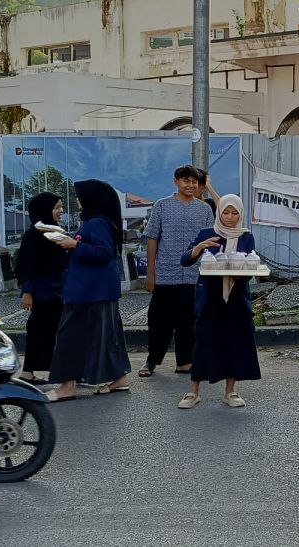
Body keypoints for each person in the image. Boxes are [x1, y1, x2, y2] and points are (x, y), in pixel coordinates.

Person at [46, 180, 131, 402]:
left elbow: (104, 253)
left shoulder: (97, 223)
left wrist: (74, 245)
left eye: (80, 196)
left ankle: (66, 387)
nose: (77, 199)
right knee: (105, 335)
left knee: (69, 338)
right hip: (95, 289)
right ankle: (119, 378)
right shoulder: (98, 221)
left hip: (89, 290)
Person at [177, 195, 261, 409]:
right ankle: (193, 391)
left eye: (234, 213)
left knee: (235, 341)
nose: (230, 217)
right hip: (210, 296)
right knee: (203, 341)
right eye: (226, 212)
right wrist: (198, 248)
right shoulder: (207, 233)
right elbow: (185, 260)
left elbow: (251, 265)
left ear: (240, 214)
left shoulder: (246, 235)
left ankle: (230, 391)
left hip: (236, 296)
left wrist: (238, 273)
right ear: (219, 212)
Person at [139, 165, 214, 378]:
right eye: (186, 181)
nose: (190, 185)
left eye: (194, 182)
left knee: (189, 320)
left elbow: (209, 242)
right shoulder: (162, 206)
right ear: (176, 182)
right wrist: (151, 273)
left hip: (194, 275)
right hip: (165, 273)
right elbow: (152, 238)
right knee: (159, 320)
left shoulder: (205, 210)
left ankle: (185, 361)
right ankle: (152, 361)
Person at [14, 192, 68, 384]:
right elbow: (27, 265)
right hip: (42, 292)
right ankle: (28, 373)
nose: (60, 211)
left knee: (52, 332)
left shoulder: (53, 230)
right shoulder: (34, 235)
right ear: (44, 210)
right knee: (39, 331)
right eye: (56, 207)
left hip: (56, 290)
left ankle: (54, 371)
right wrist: (27, 292)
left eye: (61, 206)